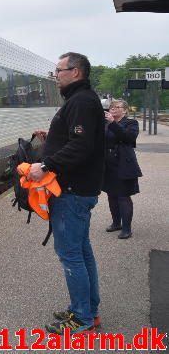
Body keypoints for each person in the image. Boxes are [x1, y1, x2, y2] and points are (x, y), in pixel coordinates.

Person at [28, 52, 105, 334]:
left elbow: (81, 147)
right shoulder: (80, 100)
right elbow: (78, 141)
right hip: (77, 188)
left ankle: (82, 317)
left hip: (72, 191)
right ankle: (87, 310)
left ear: (76, 72)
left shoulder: (82, 101)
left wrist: (46, 164)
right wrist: (52, 141)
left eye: (59, 70)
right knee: (82, 252)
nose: (55, 75)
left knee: (71, 254)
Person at [103, 99, 141, 239]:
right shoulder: (106, 123)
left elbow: (127, 137)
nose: (113, 109)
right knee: (111, 195)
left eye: (117, 107)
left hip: (123, 164)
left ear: (125, 110)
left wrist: (113, 122)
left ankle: (126, 228)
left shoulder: (131, 123)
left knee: (123, 196)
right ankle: (116, 223)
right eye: (112, 107)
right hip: (108, 164)